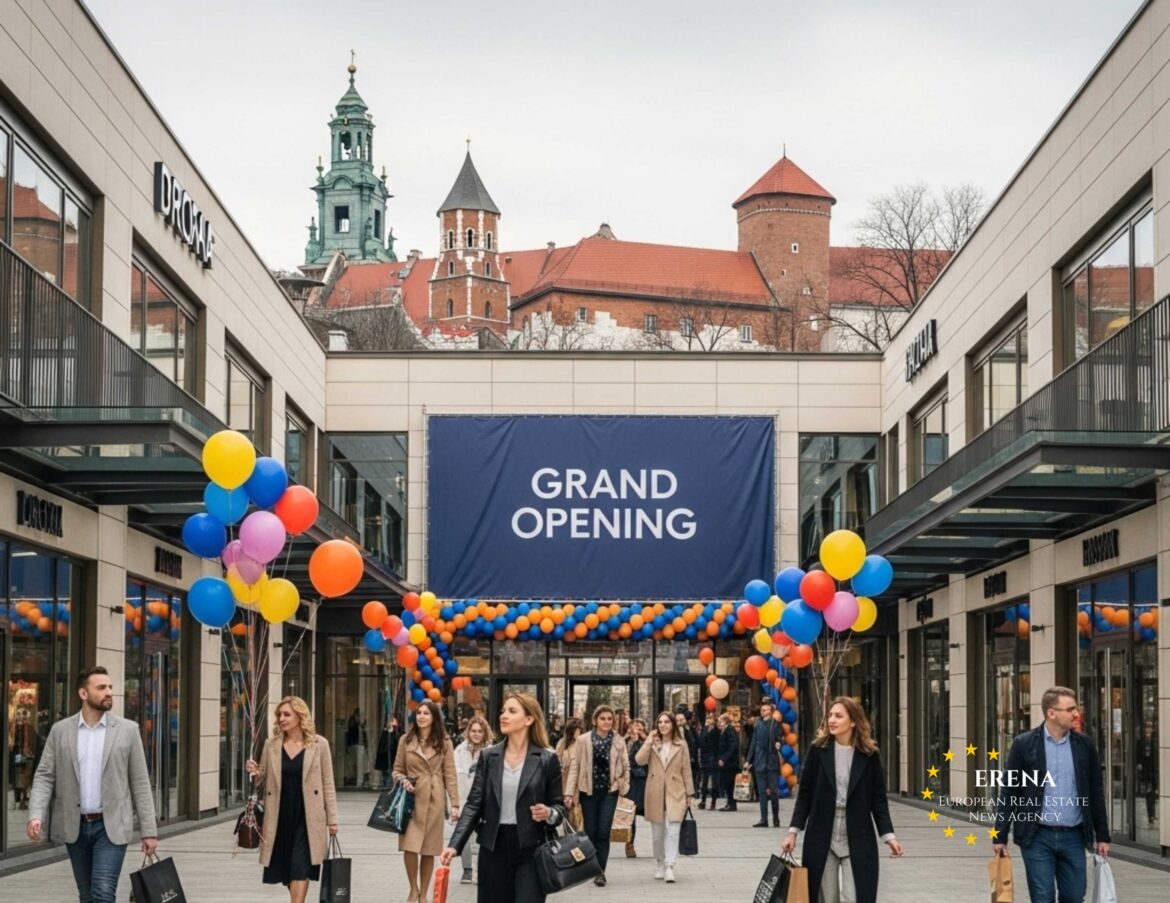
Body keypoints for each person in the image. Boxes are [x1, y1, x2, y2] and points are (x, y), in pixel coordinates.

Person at [26, 666, 157, 903]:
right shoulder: (61, 731)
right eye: (101, 688)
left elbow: (140, 781)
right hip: (75, 827)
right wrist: (36, 815)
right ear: (83, 694)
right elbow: (45, 775)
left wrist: (149, 830)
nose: (109, 692)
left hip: (111, 827)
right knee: (86, 896)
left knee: (103, 893)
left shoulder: (127, 731)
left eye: (110, 688)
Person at [441, 693, 565, 903]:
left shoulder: (547, 758)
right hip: (494, 847)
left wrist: (549, 813)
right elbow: (474, 804)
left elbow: (560, 808)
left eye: (512, 711)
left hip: (531, 848)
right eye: (503, 711)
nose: (504, 716)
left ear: (529, 719)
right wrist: (455, 844)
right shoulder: (489, 757)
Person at [993, 686, 1110, 903]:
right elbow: (1009, 791)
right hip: (1037, 836)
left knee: (1074, 896)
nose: (1076, 714)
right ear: (1051, 713)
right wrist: (1000, 835)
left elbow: (1095, 792)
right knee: (1043, 896)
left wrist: (1102, 834)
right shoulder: (1024, 744)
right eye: (1070, 709)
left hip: (1074, 835)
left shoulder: (1085, 746)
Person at [781, 696, 902, 903]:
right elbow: (805, 796)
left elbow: (878, 800)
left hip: (857, 834)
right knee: (827, 898)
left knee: (854, 896)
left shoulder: (869, 755)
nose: (832, 720)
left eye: (838, 716)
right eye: (830, 715)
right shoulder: (818, 751)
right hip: (822, 833)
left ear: (853, 721)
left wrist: (888, 836)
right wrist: (793, 832)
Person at [246, 696, 339, 903]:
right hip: (279, 815)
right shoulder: (271, 745)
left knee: (300, 866)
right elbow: (262, 781)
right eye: (279, 715)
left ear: (300, 716)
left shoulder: (319, 744)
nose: (281, 718)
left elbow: (328, 784)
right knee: (288, 869)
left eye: (286, 714)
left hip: (308, 816)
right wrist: (254, 772)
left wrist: (332, 819)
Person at [393, 700, 460, 903]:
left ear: (434, 717)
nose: (421, 716)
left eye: (426, 713)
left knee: (429, 849)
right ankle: (414, 888)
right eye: (419, 713)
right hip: (411, 800)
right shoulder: (406, 740)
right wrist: (403, 780)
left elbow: (450, 773)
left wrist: (455, 803)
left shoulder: (444, 741)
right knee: (410, 846)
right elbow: (397, 770)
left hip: (434, 798)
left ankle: (424, 894)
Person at [565, 704, 630, 886]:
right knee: (591, 832)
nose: (607, 722)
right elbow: (575, 767)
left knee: (603, 832)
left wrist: (623, 785)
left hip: (610, 792)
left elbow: (626, 765)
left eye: (610, 719)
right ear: (595, 721)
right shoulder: (583, 740)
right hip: (588, 791)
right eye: (603, 718)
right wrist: (569, 793)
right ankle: (591, 867)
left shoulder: (618, 740)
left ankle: (600, 872)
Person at [636, 711, 695, 884]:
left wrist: (689, 793)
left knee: (673, 830)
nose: (663, 725)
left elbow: (686, 769)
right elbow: (639, 760)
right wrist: (648, 740)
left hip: (676, 790)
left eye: (666, 722)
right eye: (660, 722)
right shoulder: (652, 743)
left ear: (672, 725)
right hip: (655, 791)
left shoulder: (681, 744)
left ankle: (670, 865)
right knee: (657, 833)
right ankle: (660, 862)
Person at [453, 714, 494, 884]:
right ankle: (467, 870)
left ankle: (483, 871)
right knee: (464, 835)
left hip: (485, 802)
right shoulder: (459, 750)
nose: (476, 734)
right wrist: (453, 804)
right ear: (468, 732)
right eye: (473, 731)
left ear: (485, 733)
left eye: (479, 731)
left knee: (485, 838)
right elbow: (454, 776)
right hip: (465, 800)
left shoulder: (492, 751)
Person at [746, 700, 783, 827]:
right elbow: (753, 743)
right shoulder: (757, 724)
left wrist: (779, 744)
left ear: (771, 711)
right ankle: (764, 819)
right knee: (761, 792)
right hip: (759, 761)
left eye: (766, 709)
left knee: (773, 792)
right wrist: (748, 760)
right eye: (762, 709)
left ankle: (776, 818)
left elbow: (779, 739)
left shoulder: (775, 724)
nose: (763, 711)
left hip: (771, 762)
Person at [625, 718, 649, 858]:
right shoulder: (626, 742)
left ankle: (660, 843)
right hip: (633, 784)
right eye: (636, 728)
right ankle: (629, 844)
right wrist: (632, 741)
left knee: (653, 814)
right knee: (631, 816)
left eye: (640, 728)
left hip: (646, 782)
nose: (638, 731)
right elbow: (626, 759)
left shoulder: (647, 742)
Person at [9, 706, 35, 809]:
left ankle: (24, 799)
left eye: (23, 714)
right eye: (19, 714)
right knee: (17, 777)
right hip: (17, 755)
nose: (21, 716)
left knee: (25, 778)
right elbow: (11, 743)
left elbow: (32, 741)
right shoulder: (14, 728)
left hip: (26, 755)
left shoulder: (29, 728)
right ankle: (17, 799)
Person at [716, 713, 740, 811]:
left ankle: (732, 804)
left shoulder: (730, 730)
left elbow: (732, 746)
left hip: (730, 763)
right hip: (727, 763)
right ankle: (729, 802)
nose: (719, 723)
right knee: (727, 783)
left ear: (725, 721)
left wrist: (724, 758)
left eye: (720, 721)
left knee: (730, 783)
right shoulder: (723, 731)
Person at [1137, 719, 1158, 827]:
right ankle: (1151, 815)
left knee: (1152, 794)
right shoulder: (1142, 741)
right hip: (1146, 772)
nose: (1148, 729)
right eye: (1147, 727)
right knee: (1148, 794)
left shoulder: (1155, 741)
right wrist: (1139, 763)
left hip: (1153, 772)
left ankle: (1152, 815)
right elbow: (1138, 755)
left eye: (1150, 727)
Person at [675, 712, 700, 798]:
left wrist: (693, 755)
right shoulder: (674, 731)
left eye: (682, 720)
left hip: (690, 756)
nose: (680, 722)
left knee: (691, 774)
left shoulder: (690, 729)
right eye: (678, 720)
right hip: (678, 757)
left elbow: (694, 742)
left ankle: (692, 791)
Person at [697, 713, 720, 809]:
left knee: (714, 780)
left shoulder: (716, 731)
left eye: (710, 719)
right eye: (707, 719)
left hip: (713, 757)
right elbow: (700, 742)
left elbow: (717, 743)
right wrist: (704, 730)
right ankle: (703, 800)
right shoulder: (704, 730)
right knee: (705, 780)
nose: (708, 720)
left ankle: (713, 801)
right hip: (705, 757)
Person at [374, 717, 401, 789]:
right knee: (386, 772)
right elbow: (383, 745)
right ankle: (387, 784)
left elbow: (396, 744)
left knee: (390, 771)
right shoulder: (385, 733)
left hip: (392, 756)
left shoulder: (397, 733)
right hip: (385, 756)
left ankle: (390, 785)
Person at [345, 707, 368, 787]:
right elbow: (352, 729)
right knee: (354, 763)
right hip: (354, 744)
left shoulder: (360, 724)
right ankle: (355, 780)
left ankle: (359, 781)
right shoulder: (353, 721)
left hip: (359, 745)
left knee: (360, 764)